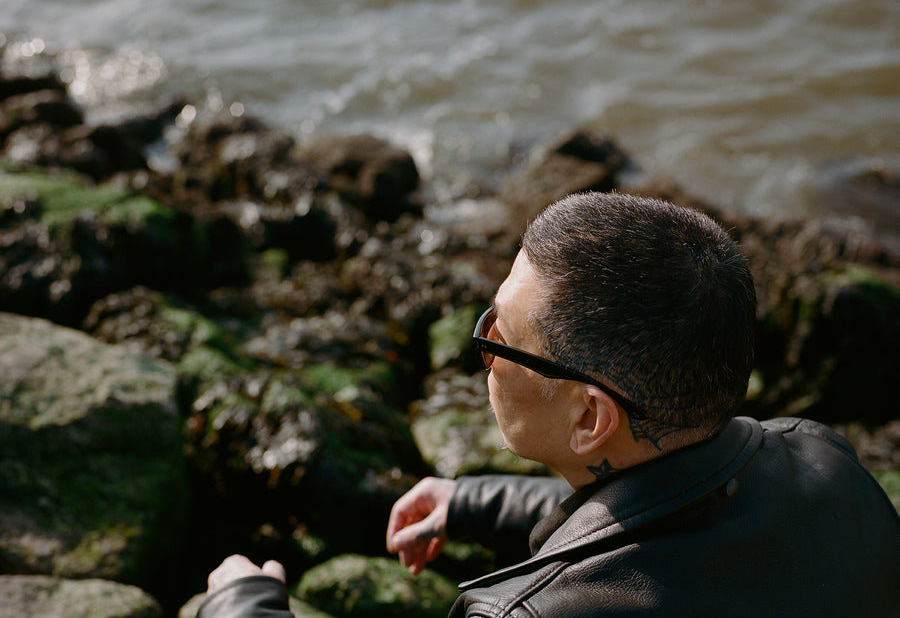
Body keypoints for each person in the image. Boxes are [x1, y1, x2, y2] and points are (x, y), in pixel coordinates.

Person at [198, 192, 900, 617]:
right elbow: (667, 506)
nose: (483, 350)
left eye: (499, 337)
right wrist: (472, 501)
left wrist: (242, 604)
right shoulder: (821, 456)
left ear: (591, 418)